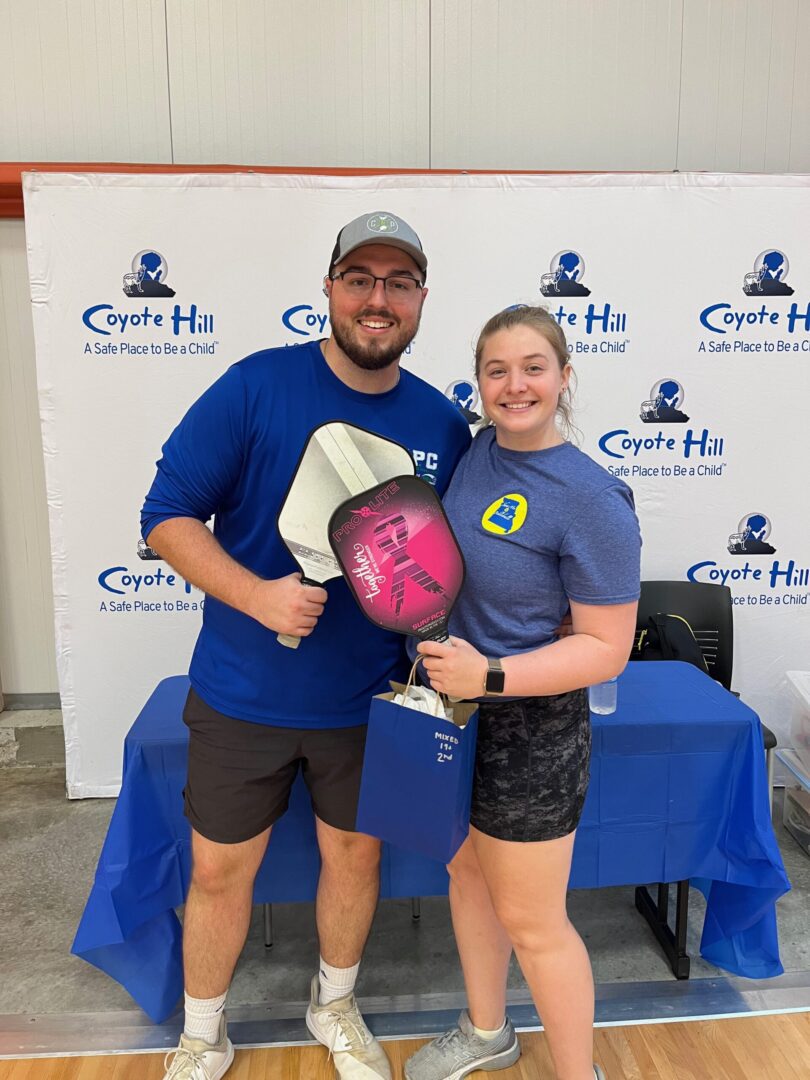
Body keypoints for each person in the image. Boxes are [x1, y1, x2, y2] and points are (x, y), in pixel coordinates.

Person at [141, 210, 470, 1080]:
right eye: (359, 279)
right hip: (241, 694)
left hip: (368, 704)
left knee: (355, 856)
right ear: (328, 288)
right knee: (220, 872)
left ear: (421, 299)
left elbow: (445, 567)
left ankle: (334, 1005)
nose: (377, 299)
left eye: (398, 283)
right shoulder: (256, 387)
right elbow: (165, 517)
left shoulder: (442, 424)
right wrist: (256, 597)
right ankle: (203, 1034)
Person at [404, 305, 641, 1080]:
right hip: (451, 713)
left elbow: (606, 649)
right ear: (479, 383)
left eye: (533, 368)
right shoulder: (476, 453)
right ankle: (486, 1031)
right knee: (467, 878)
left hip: (532, 731)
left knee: (534, 922)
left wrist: (493, 675)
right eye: (497, 371)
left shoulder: (593, 497)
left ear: (564, 377)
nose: (515, 386)